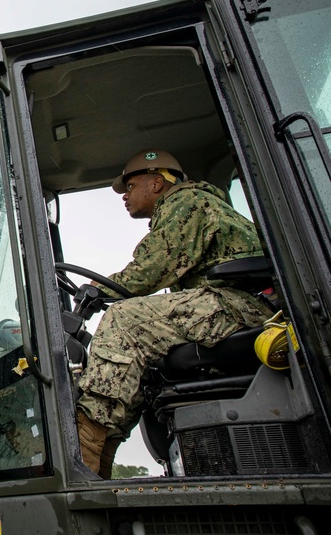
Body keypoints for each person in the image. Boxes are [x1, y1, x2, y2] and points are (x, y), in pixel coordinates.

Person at [75, 148, 271, 479]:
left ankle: (82, 455)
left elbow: (149, 271)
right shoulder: (184, 209)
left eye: (130, 185)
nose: (125, 196)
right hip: (226, 305)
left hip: (238, 304)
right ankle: (98, 463)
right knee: (140, 362)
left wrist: (97, 289)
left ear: (157, 182)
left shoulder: (187, 204)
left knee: (125, 321)